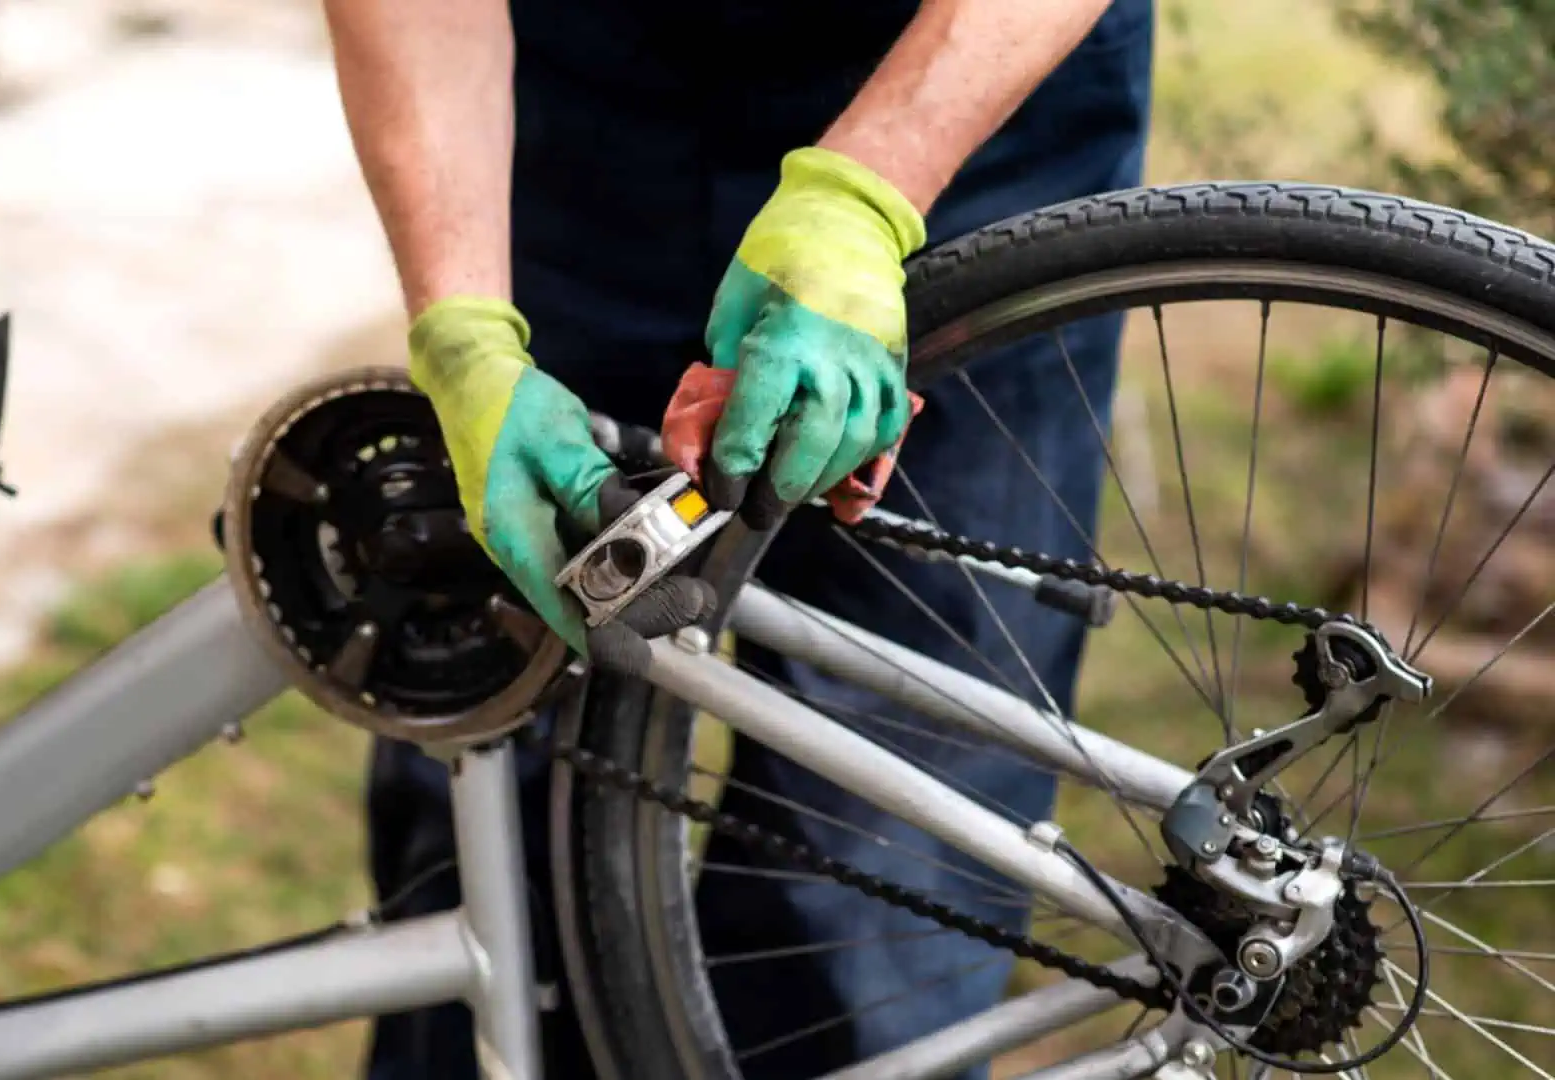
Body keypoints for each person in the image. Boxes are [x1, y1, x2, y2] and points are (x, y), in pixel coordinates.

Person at [322, 1, 1153, 1076]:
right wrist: (466, 331)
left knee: (887, 844)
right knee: (491, 789)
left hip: (972, 96)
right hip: (586, 119)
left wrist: (865, 190)